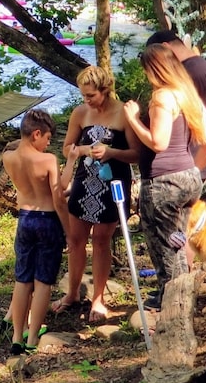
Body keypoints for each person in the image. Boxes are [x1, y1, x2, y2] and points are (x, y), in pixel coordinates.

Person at [123, 43, 206, 311]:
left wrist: (133, 119)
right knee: (178, 243)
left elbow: (158, 142)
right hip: (187, 178)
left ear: (154, 70)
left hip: (163, 183)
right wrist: (194, 172)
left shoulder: (162, 97)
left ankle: (173, 306)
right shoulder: (187, 94)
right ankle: (179, 299)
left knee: (164, 247)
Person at [51, 66, 140, 322]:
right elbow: (67, 146)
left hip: (113, 182)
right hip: (84, 180)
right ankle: (72, 294)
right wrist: (82, 150)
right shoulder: (80, 113)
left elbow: (136, 154)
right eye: (83, 95)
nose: (86, 100)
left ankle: (98, 298)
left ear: (105, 90)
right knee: (76, 239)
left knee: (101, 239)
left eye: (90, 95)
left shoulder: (123, 113)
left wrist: (111, 153)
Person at [1, 109, 68, 354]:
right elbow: (58, 198)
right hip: (47, 220)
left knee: (22, 279)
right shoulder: (48, 160)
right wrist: (68, 230)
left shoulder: (8, 157)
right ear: (36, 134)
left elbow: (19, 146)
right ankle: (31, 340)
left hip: (25, 219)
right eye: (47, 138)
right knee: (43, 282)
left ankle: (17, 336)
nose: (48, 144)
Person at [145, 29, 206, 130]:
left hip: (194, 142)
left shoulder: (191, 72)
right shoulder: (197, 65)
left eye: (155, 59)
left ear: (165, 47)